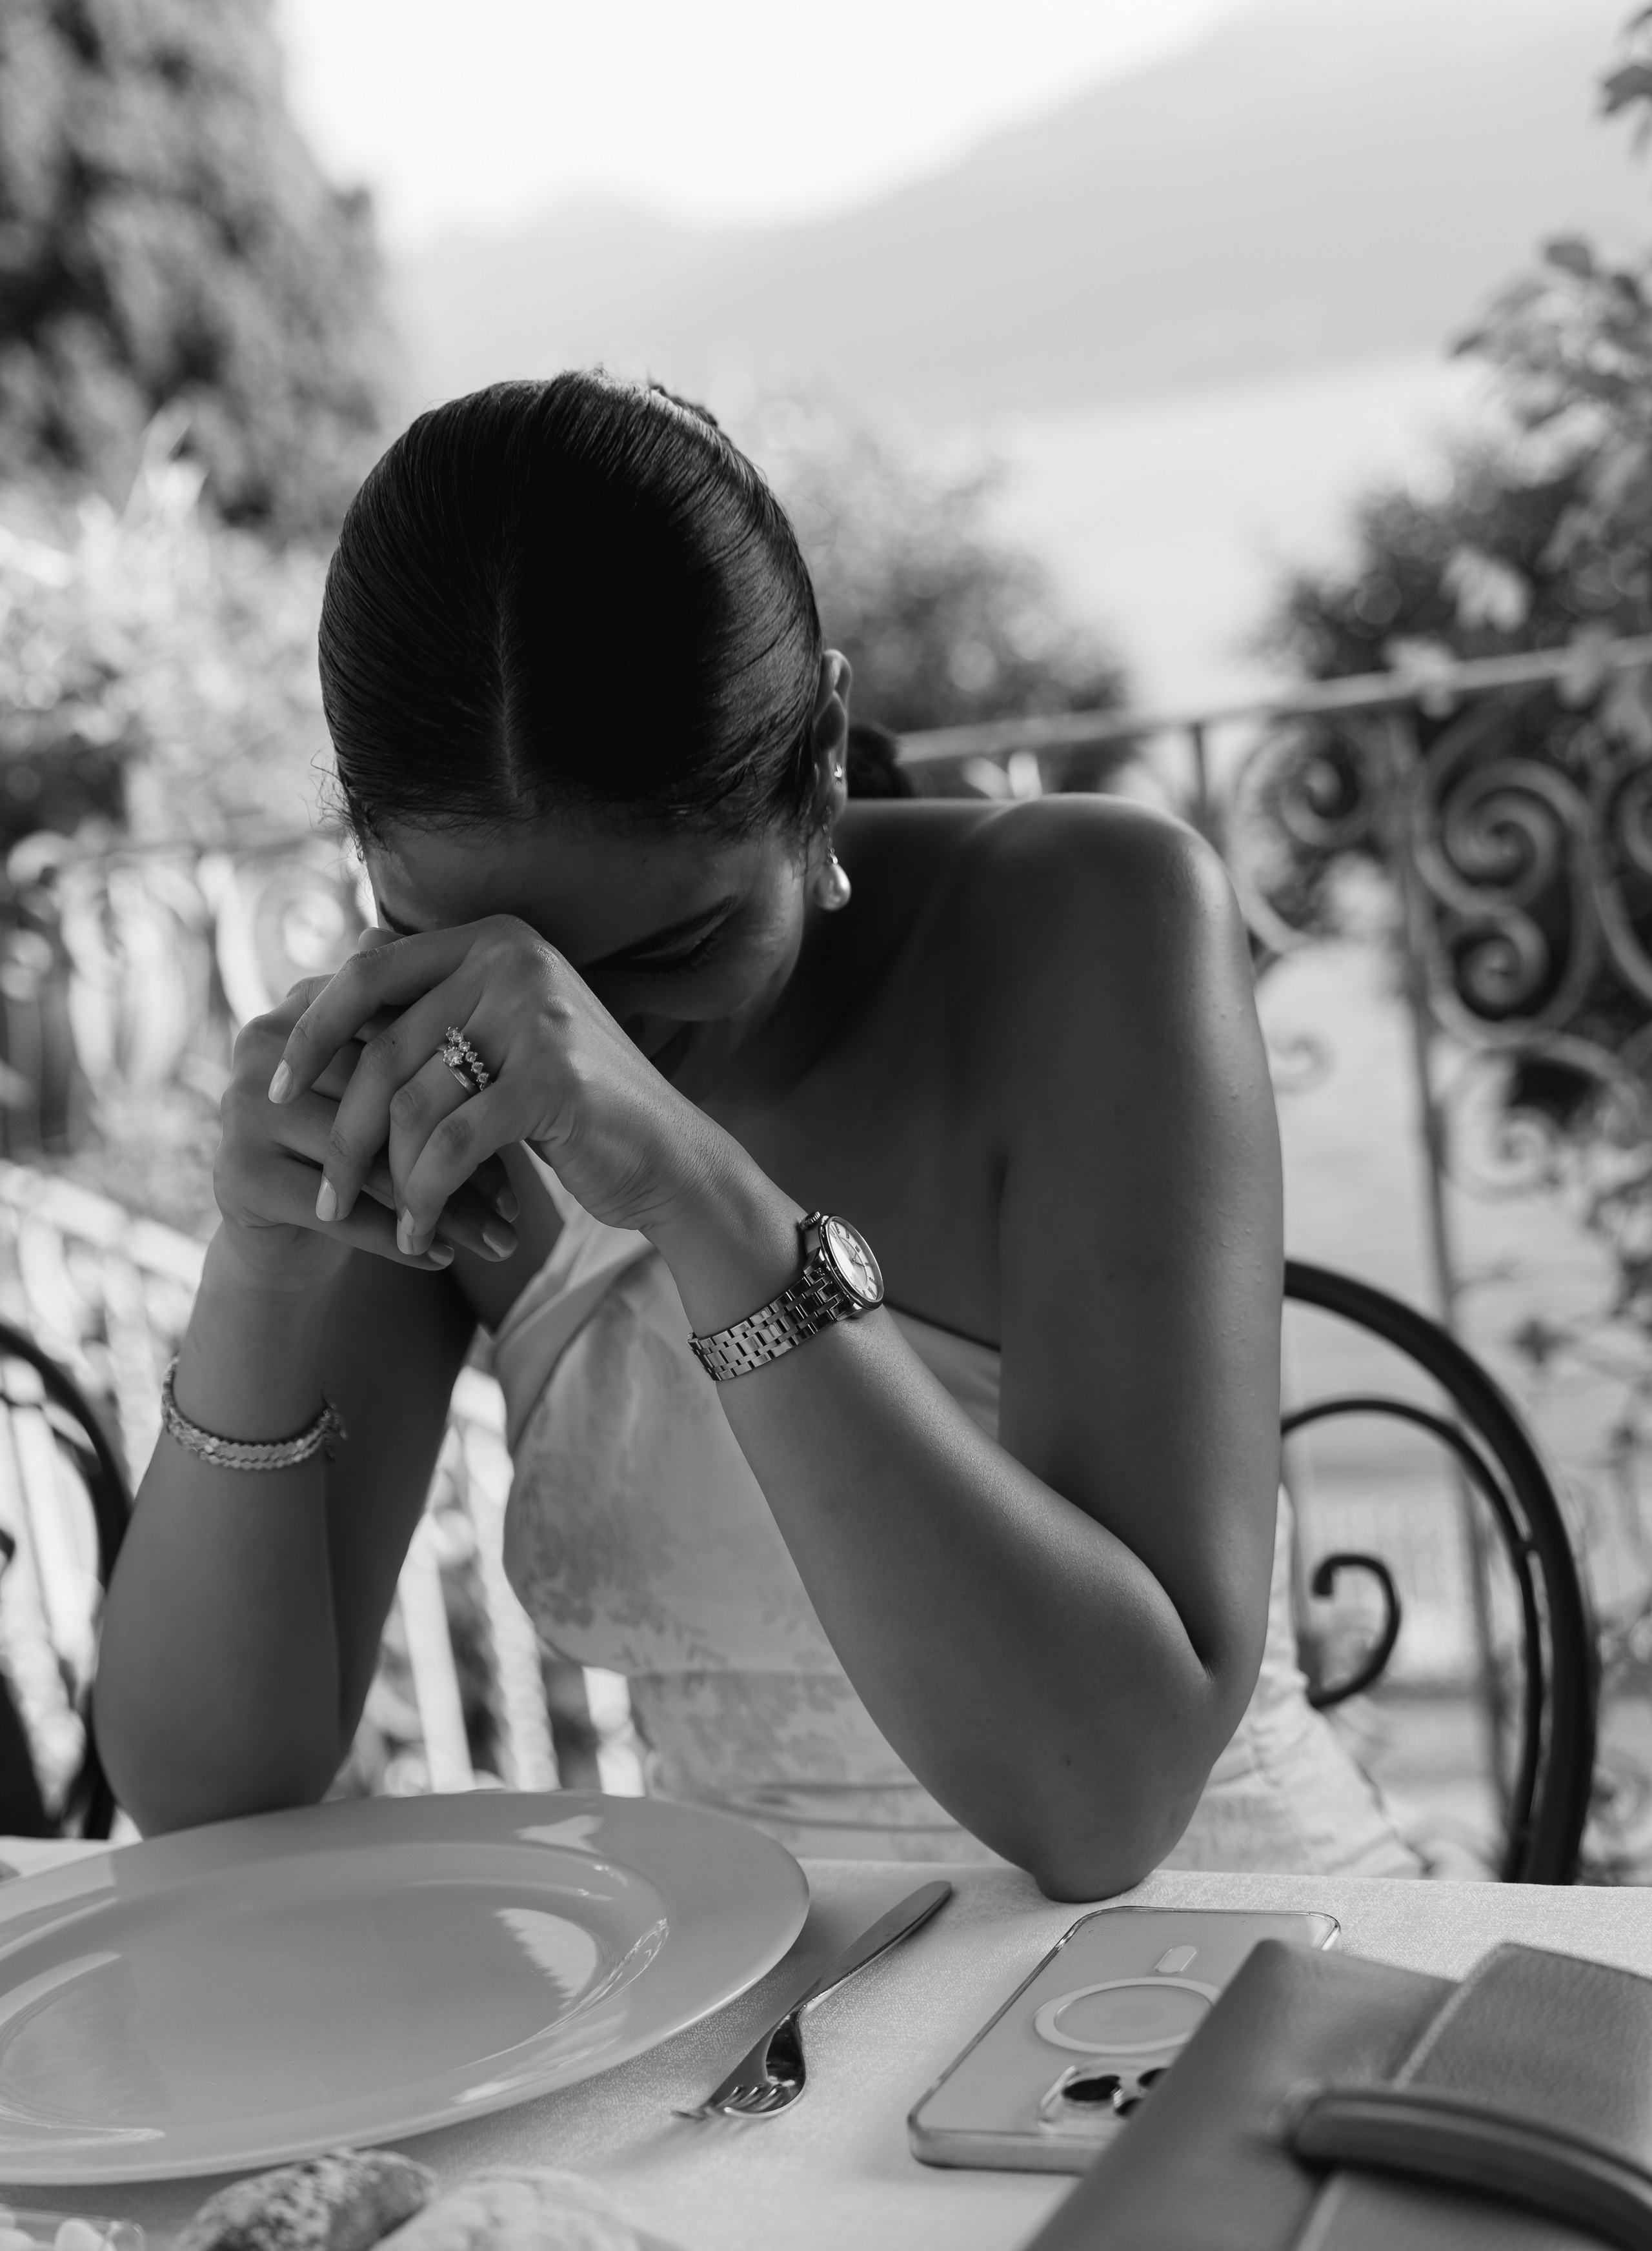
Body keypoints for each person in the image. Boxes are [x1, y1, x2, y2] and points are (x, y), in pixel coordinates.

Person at [96, 374, 1418, 1892]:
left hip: (1209, 1968)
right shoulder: (422, 1062)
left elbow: (1105, 1804)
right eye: (456, 937)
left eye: (674, 944)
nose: (577, 1036)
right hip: (750, 2037)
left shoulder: (1086, 922)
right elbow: (208, 1792)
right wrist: (258, 1278)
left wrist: (701, 1197)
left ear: (825, 763)